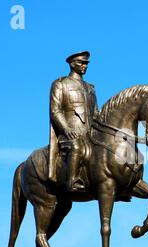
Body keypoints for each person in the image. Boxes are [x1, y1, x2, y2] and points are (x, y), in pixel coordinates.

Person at [48, 51, 98, 191]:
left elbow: (96, 114)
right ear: (71, 64)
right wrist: (67, 129)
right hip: (69, 135)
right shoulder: (60, 84)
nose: (84, 66)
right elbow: (55, 110)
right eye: (81, 63)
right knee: (76, 146)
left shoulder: (90, 88)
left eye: (86, 63)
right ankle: (72, 181)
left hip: (89, 135)